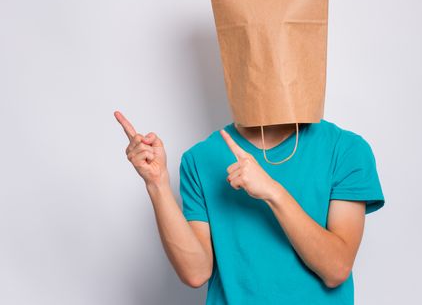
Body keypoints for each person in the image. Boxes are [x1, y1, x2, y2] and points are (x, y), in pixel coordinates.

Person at [114, 109, 385, 304]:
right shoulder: (200, 158)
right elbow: (196, 273)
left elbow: (336, 268)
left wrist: (272, 191)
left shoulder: (346, 149)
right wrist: (157, 184)